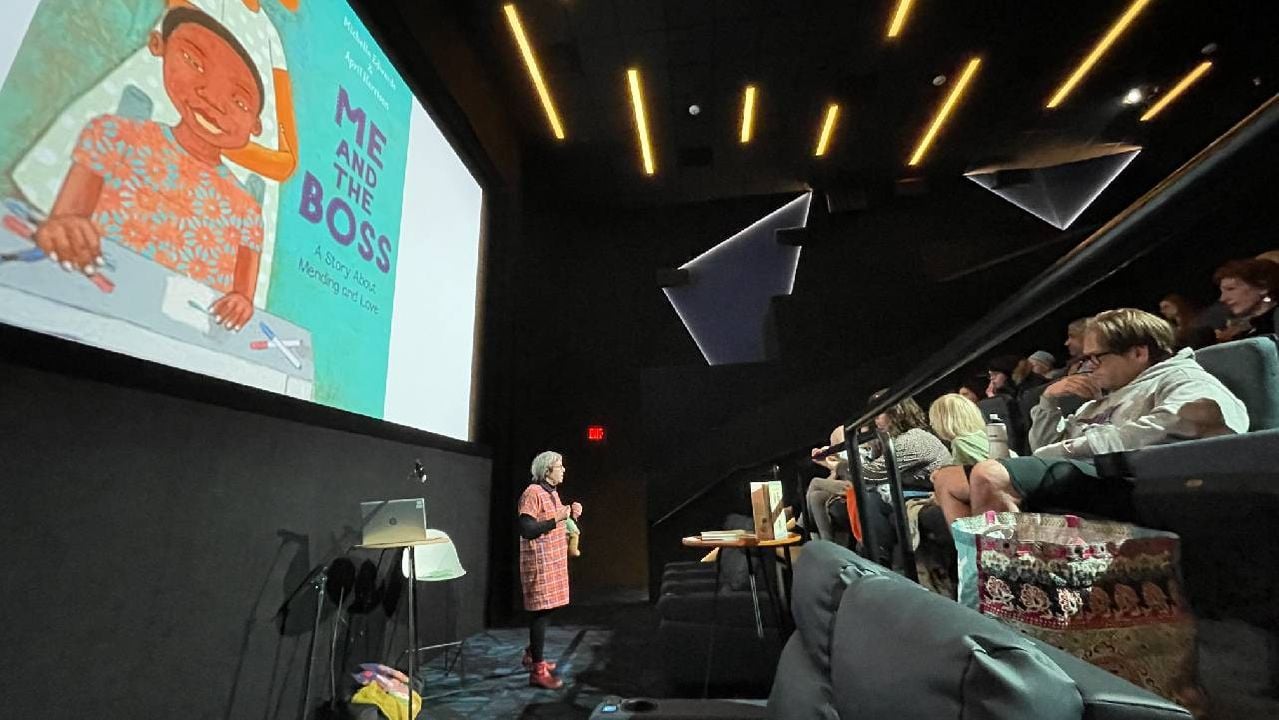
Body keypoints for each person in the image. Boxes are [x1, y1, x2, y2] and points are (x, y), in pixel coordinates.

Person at [12, 0, 300, 307]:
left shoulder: (244, 211)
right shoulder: (115, 137)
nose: (213, 100)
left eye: (239, 101)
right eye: (195, 61)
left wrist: (216, 137)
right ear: (158, 45)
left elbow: (287, 160)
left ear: (256, 124)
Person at [944, 309, 1248, 524]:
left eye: (1095, 358)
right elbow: (1041, 449)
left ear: (1138, 353)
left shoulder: (1182, 378)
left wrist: (1061, 452)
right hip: (1084, 475)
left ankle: (1003, 590)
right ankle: (977, 577)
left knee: (988, 475)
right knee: (946, 479)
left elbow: (1178, 425)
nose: (1089, 366)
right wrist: (1049, 402)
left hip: (1128, 480)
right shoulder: (1099, 399)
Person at [806, 392, 952, 540]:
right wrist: (835, 462)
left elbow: (870, 474)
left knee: (868, 498)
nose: (874, 421)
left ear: (897, 413)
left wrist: (837, 465)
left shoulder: (912, 440)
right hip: (910, 491)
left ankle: (879, 555)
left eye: (878, 415)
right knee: (830, 495)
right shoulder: (894, 440)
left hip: (928, 492)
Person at [518, 450, 582, 689]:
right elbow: (527, 528)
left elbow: (557, 519)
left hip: (552, 562)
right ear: (547, 471)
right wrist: (559, 517)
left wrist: (570, 514)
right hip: (539, 562)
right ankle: (537, 670)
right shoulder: (532, 493)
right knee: (540, 613)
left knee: (548, 609)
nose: (563, 470)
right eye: (559, 466)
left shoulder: (552, 492)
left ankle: (533, 653)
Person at [1213, 258, 1279, 342]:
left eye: (1231, 289)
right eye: (1222, 291)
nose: (1222, 298)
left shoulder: (1273, 323)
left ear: (1263, 288)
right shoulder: (1247, 331)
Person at [928, 393, 989, 465]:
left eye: (934, 419)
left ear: (946, 421)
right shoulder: (983, 434)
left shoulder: (961, 443)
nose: (931, 424)